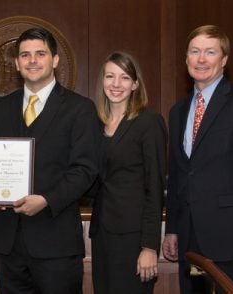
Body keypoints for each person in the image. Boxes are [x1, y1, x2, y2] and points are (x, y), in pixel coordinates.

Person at [161, 25, 233, 293]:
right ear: (186, 58)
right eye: (195, 51)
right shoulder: (178, 111)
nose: (201, 59)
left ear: (224, 60)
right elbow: (179, 174)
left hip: (232, 238)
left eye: (210, 52)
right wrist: (173, 229)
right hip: (189, 238)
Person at [0, 27, 100, 293]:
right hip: (9, 244)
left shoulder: (79, 109)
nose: (32, 60)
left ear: (55, 60)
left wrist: (46, 199)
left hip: (56, 243)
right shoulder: (0, 108)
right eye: (25, 55)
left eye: (40, 53)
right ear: (17, 64)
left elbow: (85, 170)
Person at [88, 51, 166, 294]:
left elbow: (155, 188)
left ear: (135, 84)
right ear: (102, 81)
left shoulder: (148, 122)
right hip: (102, 234)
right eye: (110, 76)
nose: (116, 84)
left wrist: (149, 247)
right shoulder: (95, 124)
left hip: (133, 238)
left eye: (124, 78)